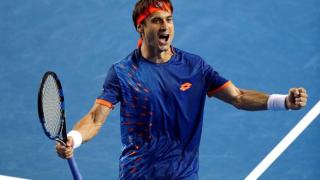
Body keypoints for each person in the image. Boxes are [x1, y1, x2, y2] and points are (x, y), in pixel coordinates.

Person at [56, 0, 308, 179]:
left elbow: (239, 97)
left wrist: (284, 100)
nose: (165, 26)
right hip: (138, 174)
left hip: (182, 174)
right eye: (156, 21)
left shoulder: (194, 67)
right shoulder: (123, 72)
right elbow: (94, 118)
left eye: (168, 19)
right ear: (140, 28)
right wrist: (74, 139)